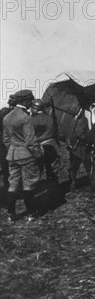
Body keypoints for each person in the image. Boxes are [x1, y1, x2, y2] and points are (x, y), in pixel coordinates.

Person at [3, 90, 43, 221]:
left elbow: (6, 139)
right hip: (27, 156)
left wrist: (14, 149)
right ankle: (31, 213)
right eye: (30, 101)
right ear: (25, 101)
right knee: (29, 184)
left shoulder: (7, 117)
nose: (32, 103)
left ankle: (11, 214)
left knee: (13, 184)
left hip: (12, 155)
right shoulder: (26, 118)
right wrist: (38, 155)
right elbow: (31, 141)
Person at [30, 99, 62, 181]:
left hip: (39, 147)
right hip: (52, 145)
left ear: (35, 108)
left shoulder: (32, 119)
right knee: (53, 169)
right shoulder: (50, 118)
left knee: (37, 170)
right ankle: (54, 188)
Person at [67, 109, 93, 190]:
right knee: (84, 164)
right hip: (79, 146)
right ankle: (74, 183)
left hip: (75, 145)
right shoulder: (82, 120)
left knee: (76, 165)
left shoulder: (72, 120)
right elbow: (81, 133)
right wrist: (89, 138)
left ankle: (74, 183)